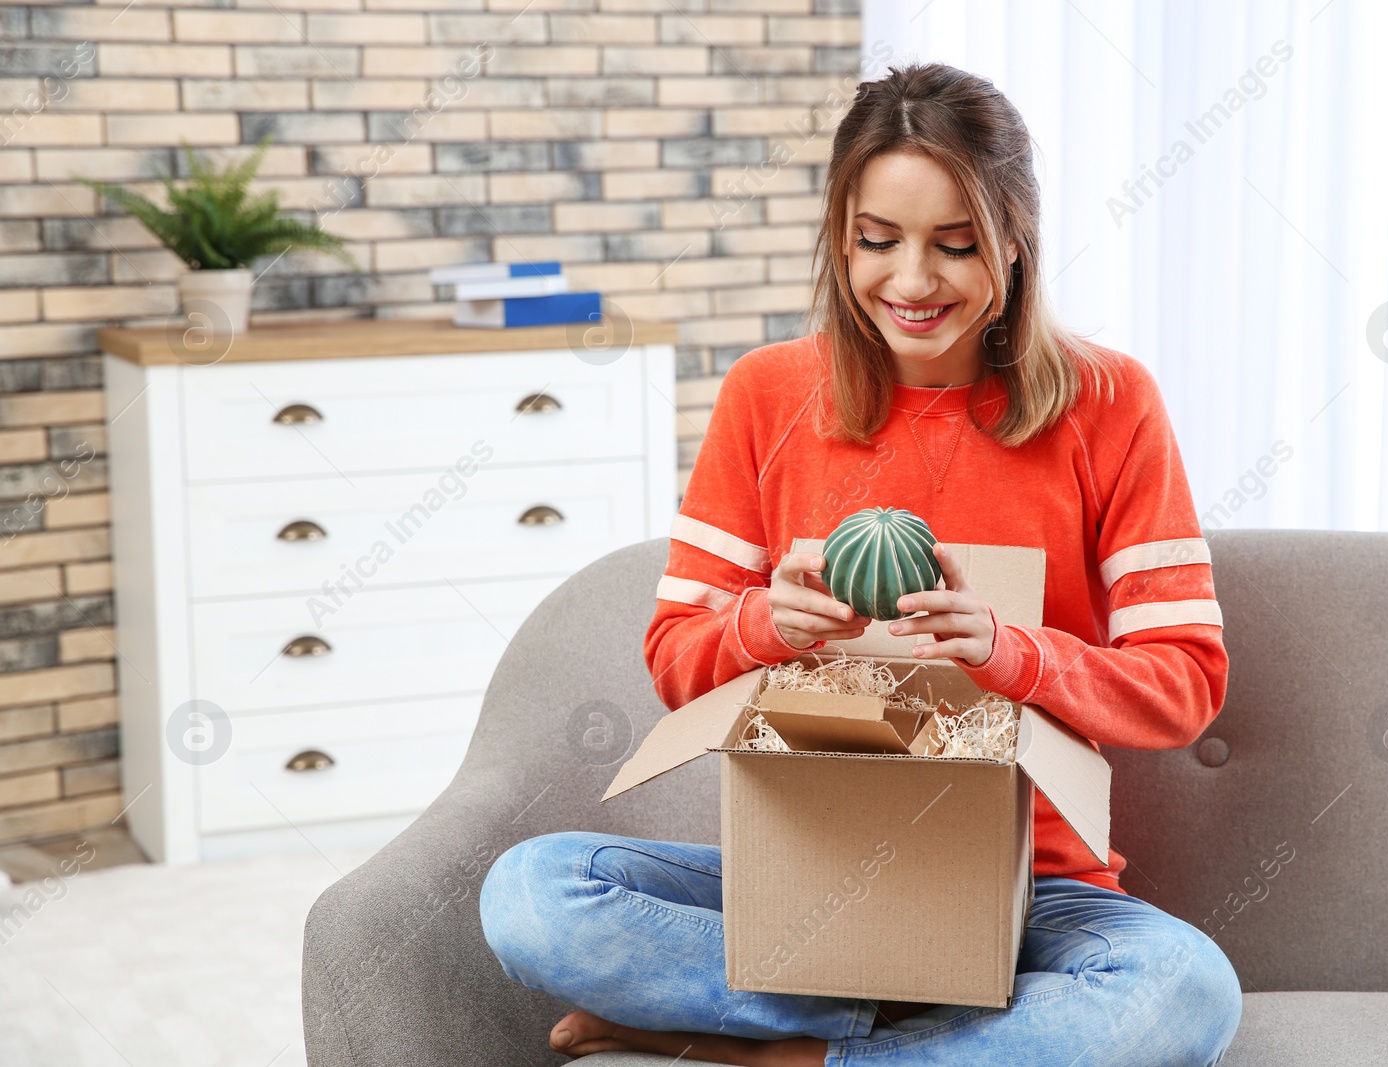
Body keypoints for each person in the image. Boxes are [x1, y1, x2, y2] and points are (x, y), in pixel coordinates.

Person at [479, 60, 1243, 1066]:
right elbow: (674, 655)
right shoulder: (766, 393)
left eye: (955, 244)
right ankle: (887, 1029)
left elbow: (1185, 683)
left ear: (1015, 240)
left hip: (1031, 894)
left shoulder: (1110, 404)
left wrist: (1015, 656)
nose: (911, 281)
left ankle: (787, 1053)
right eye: (876, 241)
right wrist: (763, 624)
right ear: (840, 236)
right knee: (530, 894)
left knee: (1186, 992)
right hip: (808, 880)